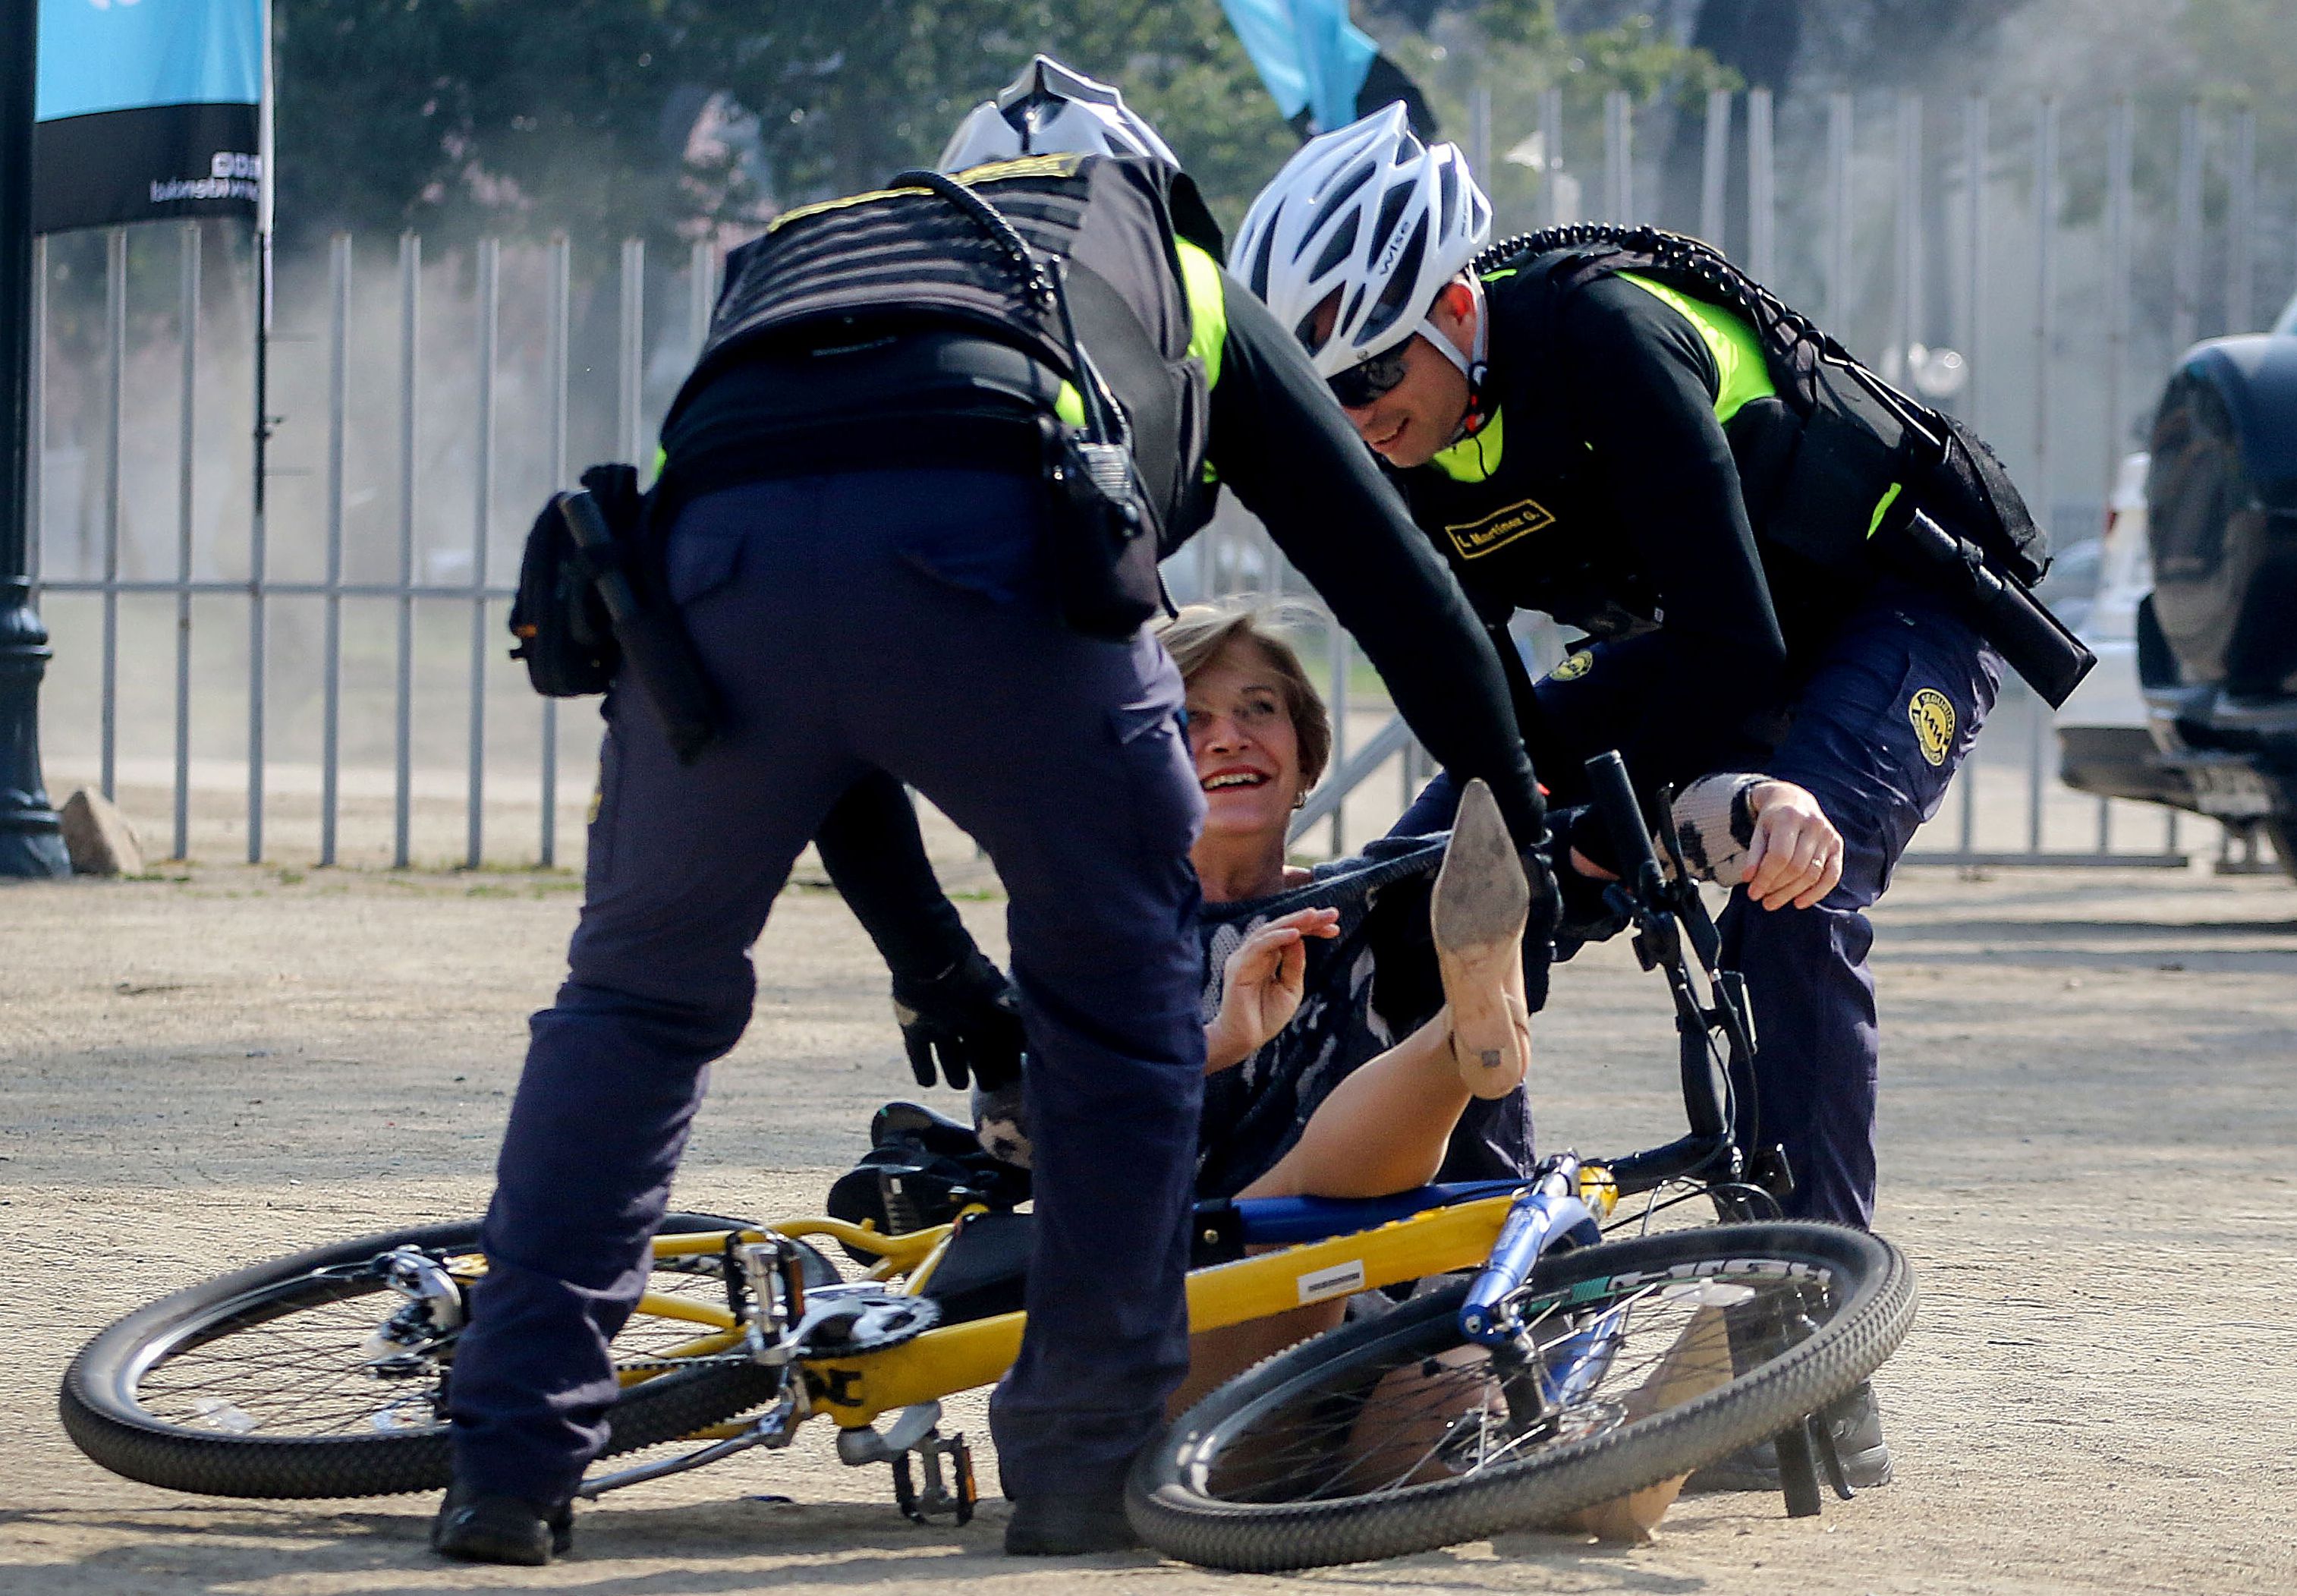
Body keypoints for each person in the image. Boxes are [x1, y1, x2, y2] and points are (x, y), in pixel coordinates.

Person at [433, 59, 1554, 1566]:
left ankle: (506, 1464)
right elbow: (1396, 587)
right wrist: (1519, 808)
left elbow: (822, 682)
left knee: (629, 1002)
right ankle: (1080, 1463)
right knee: (1115, 1006)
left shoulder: (819, 242)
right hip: (992, 532)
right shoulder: (1184, 277)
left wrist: (933, 963)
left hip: (714, 569)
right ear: (1157, 191)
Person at [1235, 103, 2051, 1487]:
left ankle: (1812, 1357)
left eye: (1374, 374)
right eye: (1330, 402)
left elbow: (1737, 647)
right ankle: (1483, 1313)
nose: (1364, 422)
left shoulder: (1605, 336)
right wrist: (1520, 853)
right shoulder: (1407, 456)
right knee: (1446, 889)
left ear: (1448, 305)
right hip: (1701, 649)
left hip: (1888, 612)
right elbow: (1473, 694)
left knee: (1794, 894)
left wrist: (1609, 838)